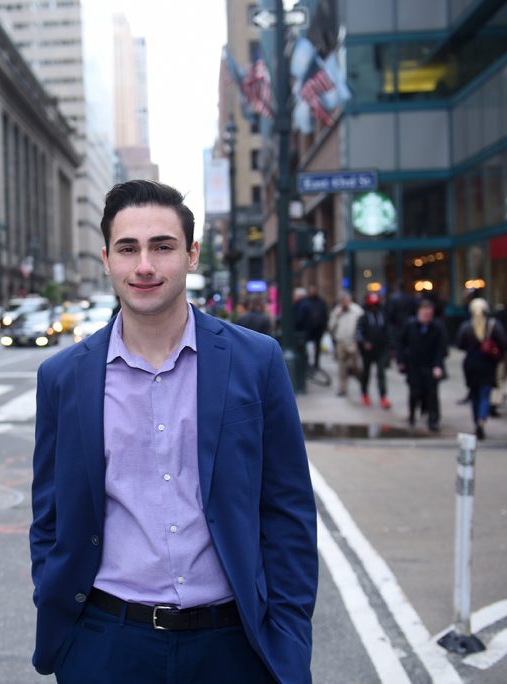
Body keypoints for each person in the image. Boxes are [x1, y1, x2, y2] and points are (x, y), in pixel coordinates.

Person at [30, 180, 317, 683]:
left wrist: (289, 642)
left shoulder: (257, 361)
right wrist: (68, 632)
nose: (144, 265)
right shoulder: (63, 378)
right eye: (128, 249)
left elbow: (288, 510)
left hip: (233, 646)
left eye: (162, 247)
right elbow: (50, 518)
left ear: (191, 255)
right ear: (107, 259)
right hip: (105, 644)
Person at [456, 298, 507, 439]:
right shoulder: (493, 325)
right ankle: (481, 420)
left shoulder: (467, 326)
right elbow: (504, 342)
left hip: (471, 363)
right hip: (487, 363)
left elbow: (460, 344)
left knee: (474, 395)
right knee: (484, 394)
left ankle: (476, 422)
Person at [397, 300, 448, 431]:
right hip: (414, 365)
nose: (426, 317)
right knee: (415, 392)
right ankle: (412, 415)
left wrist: (438, 366)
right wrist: (401, 361)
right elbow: (401, 344)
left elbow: (441, 348)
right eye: (424, 314)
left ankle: (433, 420)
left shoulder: (437, 327)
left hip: (430, 365)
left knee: (432, 393)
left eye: (429, 314)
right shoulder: (410, 325)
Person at [356, 293, 391, 409]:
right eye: (372, 306)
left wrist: (390, 346)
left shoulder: (382, 316)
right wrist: (364, 342)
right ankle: (365, 393)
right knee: (366, 373)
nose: (374, 308)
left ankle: (383, 396)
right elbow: (358, 332)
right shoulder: (364, 317)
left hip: (381, 349)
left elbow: (387, 331)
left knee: (381, 373)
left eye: (375, 305)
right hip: (368, 351)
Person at [327, 291, 364, 397]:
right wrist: (337, 316)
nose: (344, 302)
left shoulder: (357, 310)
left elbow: (362, 325)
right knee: (341, 366)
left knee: (353, 365)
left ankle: (362, 379)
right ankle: (343, 388)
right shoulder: (337, 310)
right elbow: (330, 327)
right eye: (342, 300)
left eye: (345, 300)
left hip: (353, 341)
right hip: (341, 341)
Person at [304, 286, 328, 368]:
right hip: (309, 328)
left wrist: (324, 325)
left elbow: (324, 314)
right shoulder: (306, 302)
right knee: (306, 345)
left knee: (317, 346)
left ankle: (316, 363)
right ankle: (307, 362)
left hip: (318, 328)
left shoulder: (321, 302)